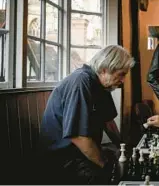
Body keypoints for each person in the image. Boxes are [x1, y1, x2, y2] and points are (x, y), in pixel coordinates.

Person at [38, 45, 135, 184]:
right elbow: (78, 137)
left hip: (79, 152)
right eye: (121, 74)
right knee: (109, 177)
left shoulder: (103, 85)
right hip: (64, 157)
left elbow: (109, 122)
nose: (123, 80)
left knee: (123, 164)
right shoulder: (80, 82)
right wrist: (106, 167)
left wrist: (123, 148)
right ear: (104, 69)